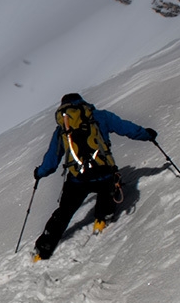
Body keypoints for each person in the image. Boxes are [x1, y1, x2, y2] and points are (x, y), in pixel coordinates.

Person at [32, 93, 157, 261]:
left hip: (77, 179)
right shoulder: (100, 116)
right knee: (109, 188)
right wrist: (147, 135)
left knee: (64, 212)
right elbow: (127, 129)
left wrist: (40, 173)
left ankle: (42, 250)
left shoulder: (62, 128)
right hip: (104, 173)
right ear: (83, 103)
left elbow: (51, 162)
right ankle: (102, 218)